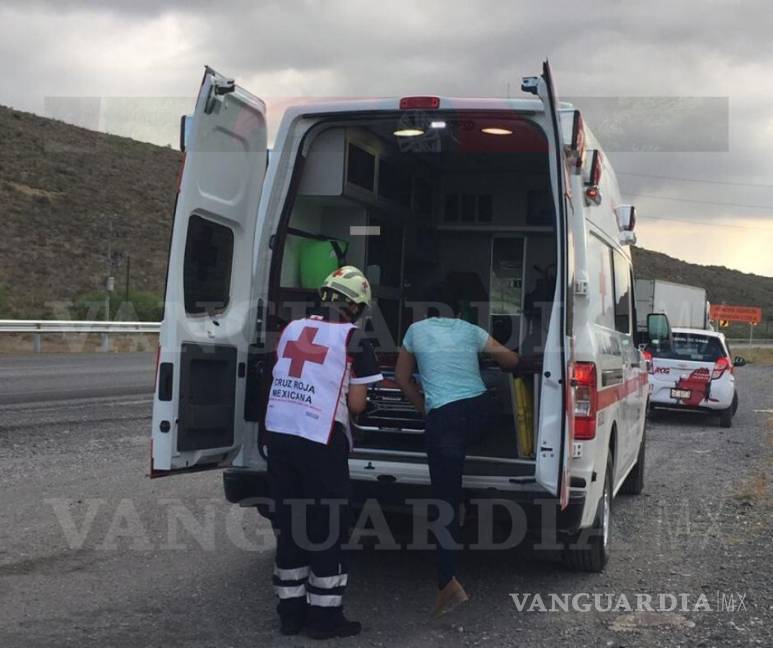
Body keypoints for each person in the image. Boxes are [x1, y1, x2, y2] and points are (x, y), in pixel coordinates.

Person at [265, 265, 383, 639]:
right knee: (326, 527)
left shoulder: (291, 329)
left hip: (279, 435)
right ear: (356, 306)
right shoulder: (354, 338)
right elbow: (359, 404)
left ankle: (290, 614)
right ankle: (324, 618)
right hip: (319, 439)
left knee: (291, 524)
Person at [394, 281, 520, 616]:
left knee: (444, 500)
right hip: (481, 415)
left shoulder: (413, 331)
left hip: (446, 422)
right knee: (488, 397)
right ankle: (466, 499)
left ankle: (447, 581)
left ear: (422, 310)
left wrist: (427, 409)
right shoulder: (469, 328)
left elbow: (402, 378)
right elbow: (511, 362)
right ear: (457, 309)